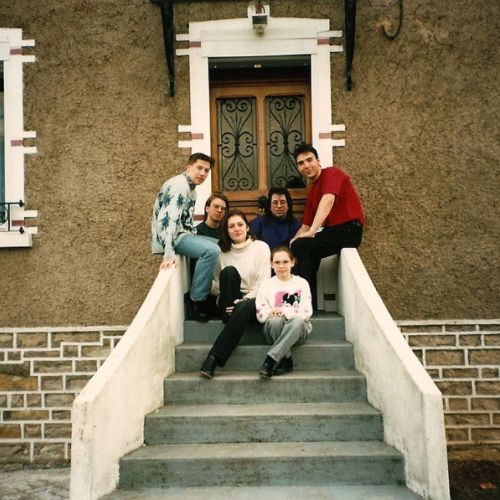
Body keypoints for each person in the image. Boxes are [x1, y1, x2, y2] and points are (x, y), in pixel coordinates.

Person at [290, 143, 365, 308]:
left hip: (349, 230)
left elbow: (328, 200)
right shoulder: (312, 194)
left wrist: (312, 232)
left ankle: (303, 302)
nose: (306, 165)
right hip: (333, 232)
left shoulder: (332, 173)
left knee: (303, 246)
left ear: (318, 160)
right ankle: (308, 302)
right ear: (298, 168)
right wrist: (290, 247)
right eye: (301, 163)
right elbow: (305, 226)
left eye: (309, 160)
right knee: (303, 250)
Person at [199, 210, 271, 379]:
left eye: (240, 224)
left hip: (252, 300)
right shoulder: (221, 253)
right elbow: (214, 284)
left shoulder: (261, 248)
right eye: (231, 226)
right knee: (229, 272)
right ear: (226, 230)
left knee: (244, 307)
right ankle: (233, 314)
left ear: (247, 227)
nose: (236, 229)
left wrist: (242, 301)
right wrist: (225, 295)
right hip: (228, 301)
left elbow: (264, 283)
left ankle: (213, 359)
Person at [151, 152, 220, 322]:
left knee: (220, 244)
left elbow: (186, 222)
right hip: (173, 238)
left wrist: (196, 238)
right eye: (199, 168)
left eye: (206, 170)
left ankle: (214, 291)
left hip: (182, 234)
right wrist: (168, 252)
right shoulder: (179, 186)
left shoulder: (192, 190)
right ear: (189, 167)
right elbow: (167, 220)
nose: (202, 173)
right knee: (211, 250)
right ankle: (196, 301)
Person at [255, 246, 313, 379]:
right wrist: (271, 312)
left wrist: (283, 310)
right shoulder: (266, 284)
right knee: (275, 321)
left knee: (297, 320)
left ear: (292, 262)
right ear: (271, 264)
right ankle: (286, 359)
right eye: (277, 262)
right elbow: (261, 313)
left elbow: (306, 311)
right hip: (273, 330)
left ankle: (271, 359)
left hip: (298, 332)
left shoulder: (302, 283)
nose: (281, 266)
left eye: (285, 262)